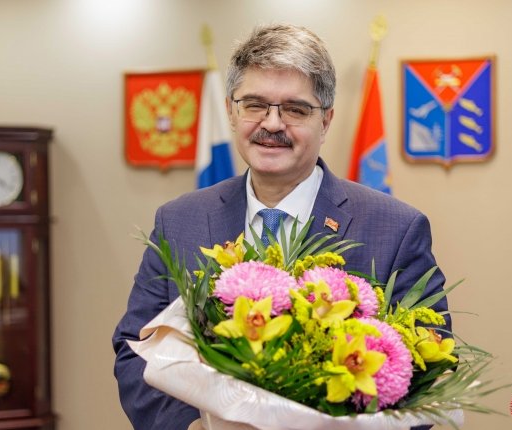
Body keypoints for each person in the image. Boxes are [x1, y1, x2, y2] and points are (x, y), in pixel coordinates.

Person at [113, 23, 449, 430]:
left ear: (326, 120)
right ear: (231, 111)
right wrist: (193, 427)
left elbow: (426, 373)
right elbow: (136, 351)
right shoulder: (179, 221)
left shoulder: (396, 229)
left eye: (295, 109)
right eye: (254, 105)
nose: (272, 124)